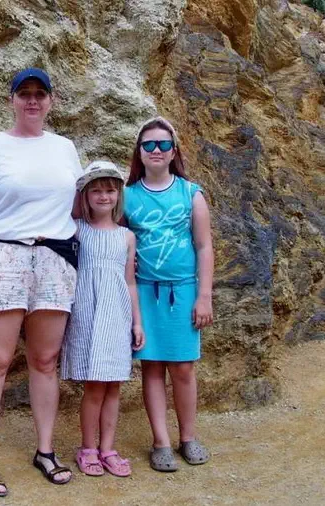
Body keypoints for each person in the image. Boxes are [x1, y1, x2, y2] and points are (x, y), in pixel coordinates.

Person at [0, 67, 80, 496]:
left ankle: (45, 450)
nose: (32, 100)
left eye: (39, 94)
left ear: (51, 101)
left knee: (45, 360)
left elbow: (78, 209)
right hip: (3, 256)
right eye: (24, 93)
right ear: (11, 99)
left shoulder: (65, 149)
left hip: (54, 259)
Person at [123, 117, 214, 472]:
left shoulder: (191, 193)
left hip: (183, 292)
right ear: (139, 152)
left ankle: (188, 437)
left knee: (183, 368)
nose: (156, 150)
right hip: (145, 293)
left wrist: (204, 296)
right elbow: (115, 239)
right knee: (151, 368)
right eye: (149, 144)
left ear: (174, 151)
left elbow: (204, 246)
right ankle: (160, 442)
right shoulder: (127, 196)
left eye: (163, 144)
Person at [60, 161, 145, 478]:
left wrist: (137, 322)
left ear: (118, 194)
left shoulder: (126, 237)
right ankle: (88, 448)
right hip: (88, 313)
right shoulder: (77, 229)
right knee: (94, 386)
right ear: (85, 194)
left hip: (117, 315)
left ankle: (108, 448)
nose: (104, 196)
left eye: (110, 190)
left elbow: (130, 282)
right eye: (95, 190)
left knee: (114, 386)